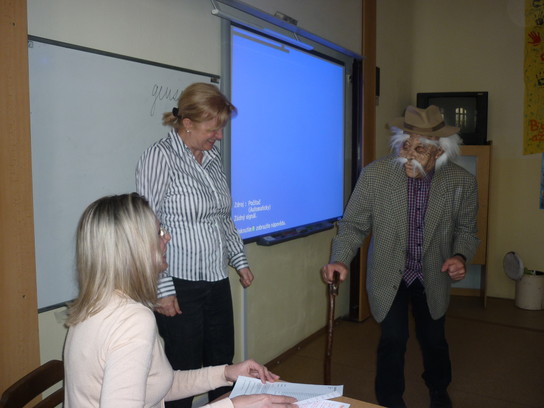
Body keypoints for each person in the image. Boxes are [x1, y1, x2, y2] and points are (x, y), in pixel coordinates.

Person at [64, 193, 296, 408]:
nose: (168, 237)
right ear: (134, 249)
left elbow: (157, 385)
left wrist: (226, 373)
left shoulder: (93, 305)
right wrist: (233, 406)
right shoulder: (132, 319)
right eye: (158, 233)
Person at [321, 105, 480, 408]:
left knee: (434, 339)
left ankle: (438, 388)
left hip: (433, 272)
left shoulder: (461, 182)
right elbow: (353, 224)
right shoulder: (375, 175)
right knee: (392, 339)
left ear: (439, 152)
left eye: (420, 149)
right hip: (388, 270)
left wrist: (460, 256)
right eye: (405, 145)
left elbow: (467, 230)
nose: (408, 155)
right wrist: (340, 259)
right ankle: (390, 399)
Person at [135, 82, 253, 408]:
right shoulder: (160, 157)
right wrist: (161, 288)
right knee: (182, 369)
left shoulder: (212, 158)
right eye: (213, 129)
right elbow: (146, 224)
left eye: (221, 128)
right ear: (187, 123)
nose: (219, 136)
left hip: (215, 278)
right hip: (179, 282)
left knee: (222, 362)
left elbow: (222, 216)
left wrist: (239, 259)